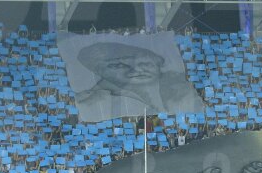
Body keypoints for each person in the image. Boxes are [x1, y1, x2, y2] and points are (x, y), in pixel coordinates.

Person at [74, 41, 203, 118]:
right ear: (99, 72)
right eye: (118, 65)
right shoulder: (91, 101)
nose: (136, 70)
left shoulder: (182, 91)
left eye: (145, 64)